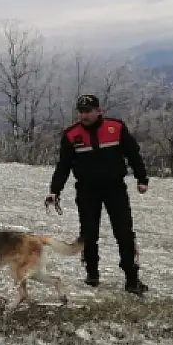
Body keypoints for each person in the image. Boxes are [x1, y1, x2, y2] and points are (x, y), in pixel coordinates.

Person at [47, 94, 147, 295]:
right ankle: (92, 273)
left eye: (88, 111)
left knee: (125, 233)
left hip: (115, 189)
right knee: (89, 235)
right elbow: (63, 166)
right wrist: (54, 190)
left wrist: (142, 178)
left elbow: (133, 154)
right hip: (87, 191)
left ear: (99, 111)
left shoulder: (116, 128)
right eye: (81, 111)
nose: (84, 115)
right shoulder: (71, 135)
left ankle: (132, 279)